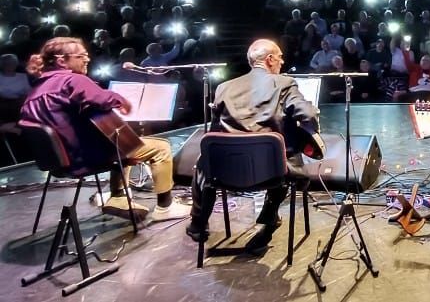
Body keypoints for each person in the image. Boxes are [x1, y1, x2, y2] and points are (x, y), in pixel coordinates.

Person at [19, 37, 190, 221]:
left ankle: (118, 197)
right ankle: (165, 207)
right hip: (85, 158)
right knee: (160, 147)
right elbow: (104, 99)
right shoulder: (72, 80)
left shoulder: (35, 91)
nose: (87, 59)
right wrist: (120, 100)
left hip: (57, 163)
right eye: (81, 56)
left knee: (118, 139)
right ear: (62, 61)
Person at [187, 39, 321, 254]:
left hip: (226, 172)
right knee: (286, 152)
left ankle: (198, 222)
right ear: (269, 60)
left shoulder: (224, 87)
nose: (282, 61)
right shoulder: (284, 83)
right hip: (272, 174)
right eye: (279, 57)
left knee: (205, 160)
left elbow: (213, 131)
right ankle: (268, 221)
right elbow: (306, 114)